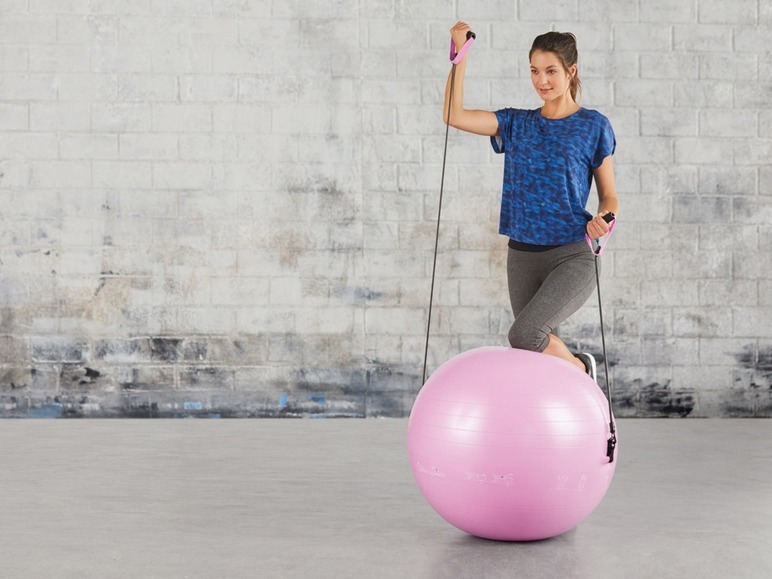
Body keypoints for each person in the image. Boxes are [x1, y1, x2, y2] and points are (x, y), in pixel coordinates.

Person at [443, 21, 619, 380]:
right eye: (535, 71)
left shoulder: (593, 126)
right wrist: (459, 58)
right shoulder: (516, 124)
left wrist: (605, 217)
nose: (542, 81)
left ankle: (583, 369)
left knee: (524, 335)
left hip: (572, 253)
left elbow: (609, 195)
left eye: (551, 71)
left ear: (571, 71)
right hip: (522, 254)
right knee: (535, 352)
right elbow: (453, 115)